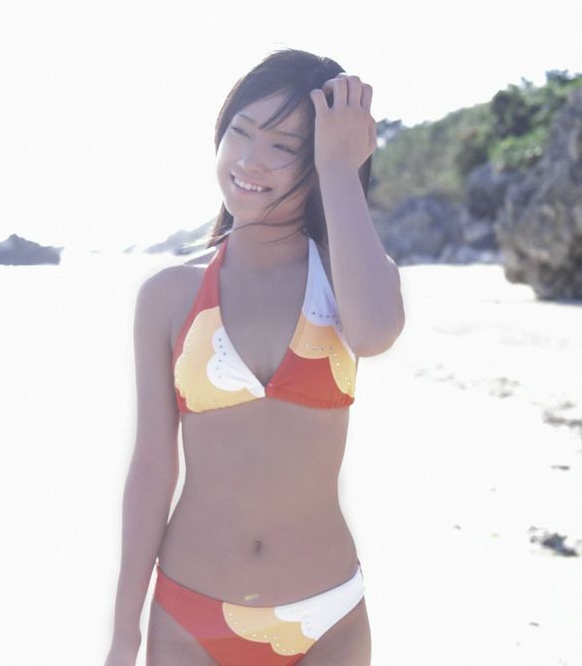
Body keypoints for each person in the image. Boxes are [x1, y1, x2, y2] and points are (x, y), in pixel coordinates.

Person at [104, 48, 405, 666]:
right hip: (189, 619)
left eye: (284, 146)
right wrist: (123, 634)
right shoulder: (169, 295)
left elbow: (375, 333)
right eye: (240, 132)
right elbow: (152, 468)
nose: (250, 159)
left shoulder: (346, 282)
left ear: (319, 158)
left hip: (327, 619)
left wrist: (341, 170)